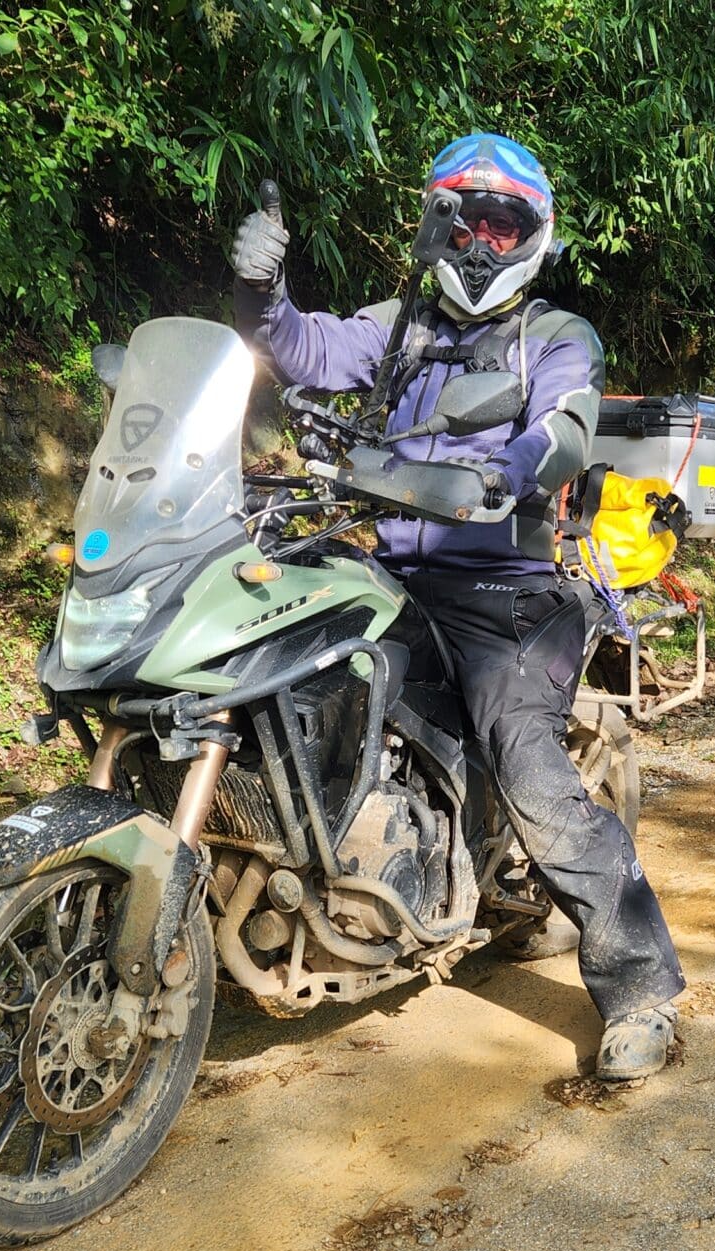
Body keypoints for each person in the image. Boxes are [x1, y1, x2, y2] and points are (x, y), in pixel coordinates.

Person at [228, 133, 684, 1081]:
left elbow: (563, 428)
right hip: (392, 572)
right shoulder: (398, 326)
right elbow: (302, 346)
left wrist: (506, 467)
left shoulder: (553, 337)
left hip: (506, 595)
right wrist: (260, 294)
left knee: (527, 763)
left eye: (501, 222)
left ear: (529, 236)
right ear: (437, 222)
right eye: (465, 218)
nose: (481, 239)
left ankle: (642, 985)